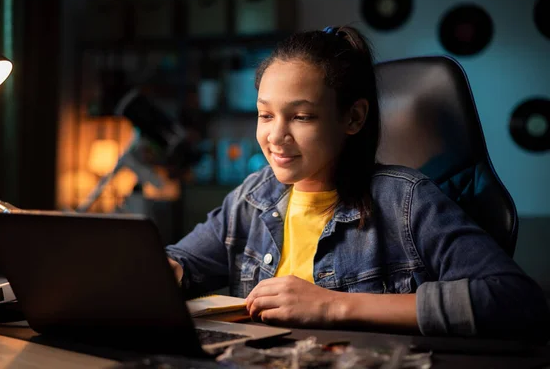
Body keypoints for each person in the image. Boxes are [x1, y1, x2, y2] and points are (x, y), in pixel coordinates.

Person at [165, 25, 550, 340]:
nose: (275, 137)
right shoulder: (251, 198)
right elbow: (181, 262)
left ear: (353, 118)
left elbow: (517, 301)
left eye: (301, 117)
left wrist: (332, 305)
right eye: (265, 116)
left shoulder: (407, 201)